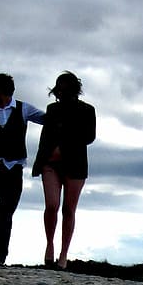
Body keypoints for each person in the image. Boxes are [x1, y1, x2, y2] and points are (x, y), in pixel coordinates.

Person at [0, 73, 46, 267]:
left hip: (13, 171)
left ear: (1, 91)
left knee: (5, 216)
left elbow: (47, 119)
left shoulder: (23, 109)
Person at [31, 71, 97, 270]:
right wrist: (40, 161)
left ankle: (63, 255)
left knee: (69, 209)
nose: (60, 93)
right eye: (58, 89)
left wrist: (65, 144)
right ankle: (50, 244)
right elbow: (45, 137)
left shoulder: (87, 110)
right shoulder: (52, 109)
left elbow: (89, 137)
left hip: (75, 163)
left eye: (63, 89)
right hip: (51, 163)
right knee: (52, 205)